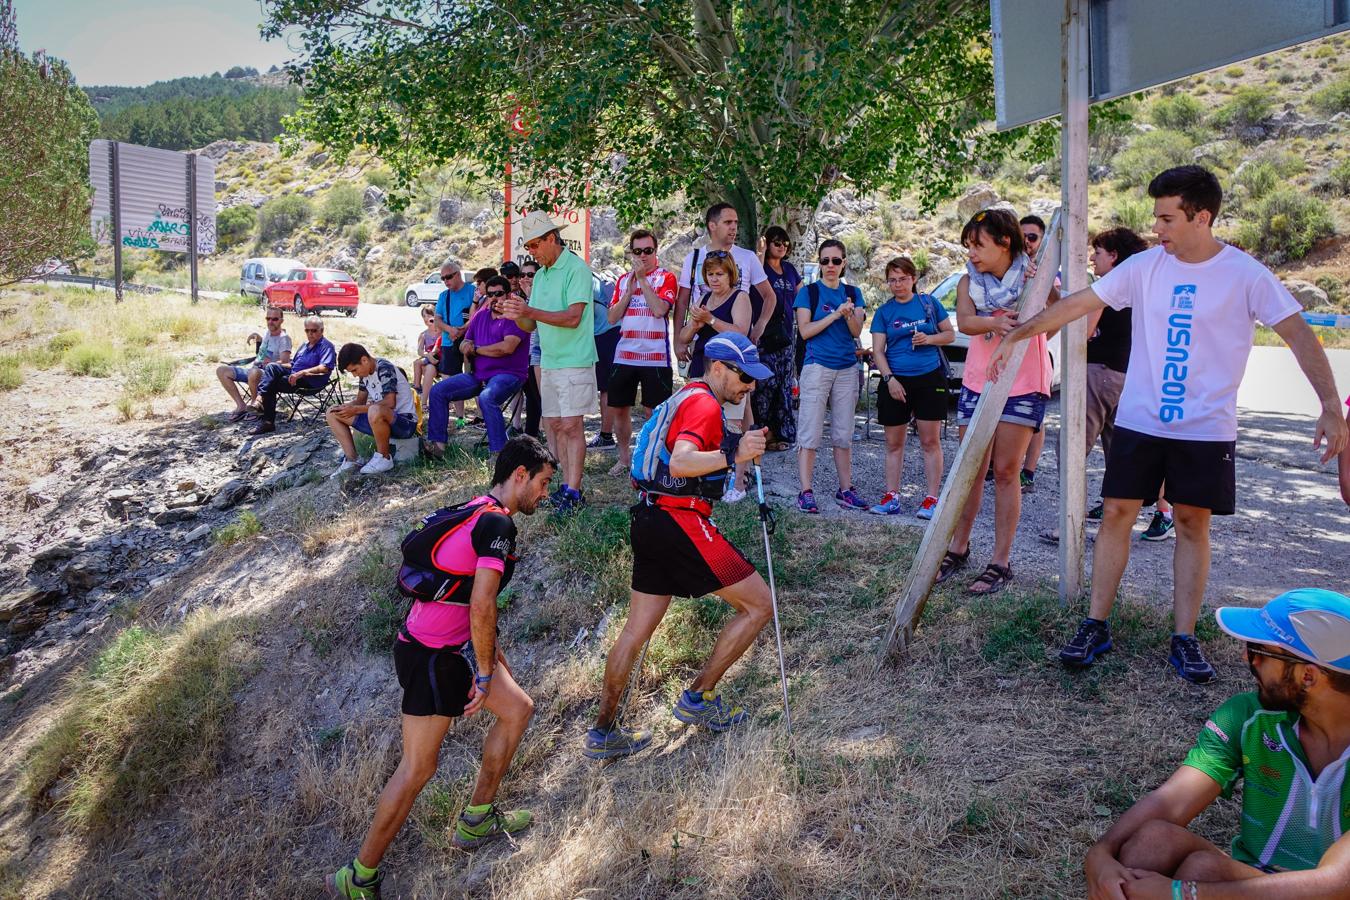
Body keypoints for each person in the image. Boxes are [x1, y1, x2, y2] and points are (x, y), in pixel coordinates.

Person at [988, 166, 1348, 681]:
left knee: (1191, 522)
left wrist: (1332, 406)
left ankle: (1184, 637)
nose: (1157, 228)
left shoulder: (1245, 274)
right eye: (1157, 217)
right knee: (1115, 512)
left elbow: (1299, 334)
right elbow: (1078, 304)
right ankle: (1096, 624)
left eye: (1167, 218)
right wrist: (1019, 334)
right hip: (1140, 420)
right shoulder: (1146, 267)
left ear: (1201, 217)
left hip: (1205, 428)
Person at [324, 437, 556, 899]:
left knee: (517, 710)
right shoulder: (496, 525)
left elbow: (475, 603)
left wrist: (491, 659)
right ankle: (359, 875)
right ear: (520, 476)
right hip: (431, 656)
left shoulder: (477, 508)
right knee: (418, 769)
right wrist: (485, 672)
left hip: (453, 648)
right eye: (544, 483)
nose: (545, 495)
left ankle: (476, 820)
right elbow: (482, 601)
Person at [1083, 588, 1350, 900]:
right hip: (1256, 875)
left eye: (1258, 652)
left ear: (1308, 676)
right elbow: (1170, 802)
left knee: (1202, 872)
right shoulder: (1248, 716)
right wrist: (1101, 854)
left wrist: (1184, 893)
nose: (1245, 658)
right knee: (1152, 841)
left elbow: (1335, 885)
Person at [583, 334, 772, 759]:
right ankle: (698, 699)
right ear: (718, 367)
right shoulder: (704, 404)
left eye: (754, 379)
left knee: (634, 632)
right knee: (759, 605)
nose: (749, 387)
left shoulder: (688, 396)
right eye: (744, 376)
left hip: (650, 518)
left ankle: (603, 731)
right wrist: (735, 452)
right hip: (679, 520)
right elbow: (682, 461)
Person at [934, 209, 1058, 595]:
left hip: (1023, 382)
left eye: (978, 245)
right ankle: (958, 547)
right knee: (969, 469)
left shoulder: (1033, 276)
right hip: (977, 381)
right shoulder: (969, 282)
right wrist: (995, 323)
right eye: (968, 245)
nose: (971, 253)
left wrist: (1042, 293)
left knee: (1006, 472)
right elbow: (966, 323)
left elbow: (1055, 313)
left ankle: (1000, 562)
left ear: (1005, 243)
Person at [1039, 226, 1157, 544]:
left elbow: (1084, 330)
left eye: (1099, 252)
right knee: (1117, 455)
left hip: (1098, 374)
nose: (1093, 257)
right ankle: (1111, 527)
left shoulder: (1110, 286)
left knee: (1072, 448)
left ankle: (1070, 525)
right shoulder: (1139, 286)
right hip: (1123, 377)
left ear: (1114, 255)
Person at [501, 211, 597, 515]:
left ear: (551, 239)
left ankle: (574, 491)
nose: (531, 252)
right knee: (554, 425)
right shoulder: (541, 276)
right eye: (528, 246)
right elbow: (534, 326)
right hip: (551, 361)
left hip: (575, 358)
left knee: (571, 425)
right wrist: (519, 315)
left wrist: (531, 311)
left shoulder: (577, 270)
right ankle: (563, 487)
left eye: (534, 245)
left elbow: (572, 317)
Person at [868, 257, 955, 518]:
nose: (898, 285)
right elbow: (878, 351)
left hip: (928, 377)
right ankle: (891, 496)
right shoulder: (884, 312)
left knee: (930, 441)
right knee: (894, 443)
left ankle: (931, 499)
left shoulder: (928, 303)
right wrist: (889, 379)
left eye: (903, 279)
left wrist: (928, 338)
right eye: (892, 280)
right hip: (896, 380)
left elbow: (949, 334)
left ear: (913, 279)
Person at [793, 239, 868, 514]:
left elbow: (857, 332)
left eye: (836, 261)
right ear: (819, 262)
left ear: (844, 263)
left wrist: (848, 315)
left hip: (847, 367)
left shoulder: (853, 292)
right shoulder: (809, 293)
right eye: (825, 261)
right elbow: (805, 331)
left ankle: (845, 489)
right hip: (816, 366)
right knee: (810, 430)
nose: (830, 266)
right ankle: (806, 490)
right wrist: (836, 314)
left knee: (843, 432)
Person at [677, 251, 754, 502]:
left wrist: (710, 319)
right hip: (703, 366)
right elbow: (684, 337)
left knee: (733, 423)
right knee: (702, 422)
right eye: (710, 274)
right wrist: (696, 325)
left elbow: (741, 333)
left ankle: (738, 480)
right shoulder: (705, 297)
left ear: (730, 274)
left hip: (731, 371)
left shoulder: (740, 297)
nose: (714, 279)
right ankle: (707, 477)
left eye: (719, 274)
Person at [424, 276, 529, 455]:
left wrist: (477, 350)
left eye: (499, 293)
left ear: (509, 294)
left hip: (509, 374)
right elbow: (465, 343)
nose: (494, 298)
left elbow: (506, 348)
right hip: (479, 374)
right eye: (490, 294)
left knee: (487, 397)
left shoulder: (515, 316)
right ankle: (438, 446)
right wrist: (468, 347)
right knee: (438, 391)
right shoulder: (481, 315)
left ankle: (499, 454)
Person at [606, 229, 677, 476]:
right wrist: (629, 290)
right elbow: (612, 316)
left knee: (653, 412)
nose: (643, 256)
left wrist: (644, 281)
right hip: (624, 355)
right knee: (620, 409)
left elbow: (659, 309)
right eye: (638, 251)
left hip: (655, 357)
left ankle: (650, 459)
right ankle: (624, 459)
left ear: (656, 252)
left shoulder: (666, 278)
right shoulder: (623, 280)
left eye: (648, 251)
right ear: (631, 253)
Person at [674, 203, 776, 363]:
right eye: (728, 223)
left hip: (736, 343)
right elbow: (682, 302)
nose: (734, 227)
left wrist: (760, 326)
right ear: (712, 226)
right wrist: (678, 341)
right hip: (701, 340)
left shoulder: (748, 257)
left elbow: (769, 296)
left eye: (736, 223)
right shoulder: (693, 258)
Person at [328, 343, 418, 476]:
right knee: (332, 412)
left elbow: (389, 402)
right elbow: (360, 402)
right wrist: (345, 407)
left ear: (364, 360)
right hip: (379, 420)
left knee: (375, 409)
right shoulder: (364, 375)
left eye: (354, 370)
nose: (354, 375)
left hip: (405, 423)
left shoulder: (384, 368)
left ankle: (384, 457)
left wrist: (356, 409)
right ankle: (352, 459)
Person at [251, 315, 337, 435]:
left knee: (273, 383)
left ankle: (267, 420)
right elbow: (293, 364)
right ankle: (260, 399)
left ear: (321, 330)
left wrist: (301, 373)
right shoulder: (304, 345)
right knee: (271, 368)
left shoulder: (326, 346)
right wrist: (275, 365)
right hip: (293, 375)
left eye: (314, 330)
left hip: (309, 381)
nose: (310, 333)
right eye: (307, 330)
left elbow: (325, 368)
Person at [755, 225, 801, 451]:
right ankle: (762, 435)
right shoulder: (760, 269)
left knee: (783, 385)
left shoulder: (790, 270)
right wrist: (761, 251)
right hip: (764, 335)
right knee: (764, 385)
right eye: (777, 243)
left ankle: (782, 434)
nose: (782, 247)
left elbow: (802, 298)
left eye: (785, 243)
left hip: (785, 336)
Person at [1016, 214, 1050, 493]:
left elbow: (1058, 309)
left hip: (1035, 355)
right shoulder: (1009, 266)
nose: (1026, 242)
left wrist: (1038, 338)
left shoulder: (1048, 270)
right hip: (1007, 352)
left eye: (1032, 237)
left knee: (1034, 420)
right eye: (1022, 236)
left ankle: (1028, 471)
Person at [216, 309, 292, 421]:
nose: (271, 321)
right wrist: (258, 338)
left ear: (281, 321)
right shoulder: (268, 333)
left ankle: (256, 406)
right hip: (254, 369)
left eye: (275, 319)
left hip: (267, 375)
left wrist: (270, 364)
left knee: (253, 372)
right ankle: (241, 405)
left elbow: (285, 362)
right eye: (268, 318)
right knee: (222, 370)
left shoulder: (284, 338)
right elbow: (263, 352)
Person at [434, 259, 477, 422]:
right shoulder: (443, 296)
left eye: (448, 277)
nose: (446, 281)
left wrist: (462, 330)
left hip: (469, 341)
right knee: (451, 380)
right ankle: (459, 417)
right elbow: (437, 320)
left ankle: (480, 416)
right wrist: (451, 330)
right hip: (448, 342)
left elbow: (477, 315)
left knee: (474, 377)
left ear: (458, 274)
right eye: (443, 278)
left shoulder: (472, 291)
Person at [588, 274, 624, 452]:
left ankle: (606, 435)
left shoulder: (581, 278)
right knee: (607, 387)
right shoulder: (592, 276)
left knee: (606, 387)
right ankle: (608, 434)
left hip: (605, 333)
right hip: (612, 331)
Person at [517, 259, 543, 440]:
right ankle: (531, 434)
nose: (526, 278)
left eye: (530, 274)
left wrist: (530, 296)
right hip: (526, 355)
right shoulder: (525, 298)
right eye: (523, 275)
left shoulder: (542, 296)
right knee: (532, 398)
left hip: (541, 354)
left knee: (540, 398)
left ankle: (536, 434)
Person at [412, 305, 441, 400]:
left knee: (421, 363)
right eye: (424, 316)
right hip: (428, 358)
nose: (426, 319)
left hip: (439, 359)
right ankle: (417, 386)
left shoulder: (441, 332)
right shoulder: (423, 334)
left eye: (428, 316)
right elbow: (419, 350)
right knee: (417, 363)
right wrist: (427, 355)